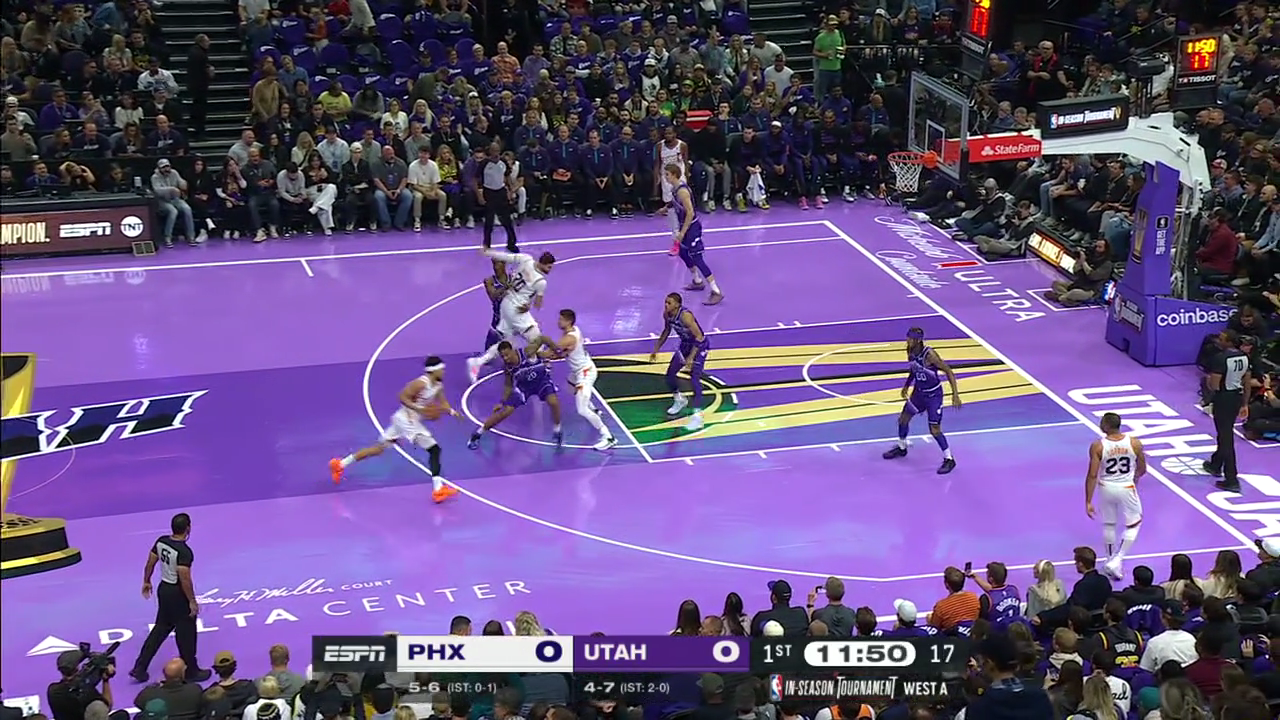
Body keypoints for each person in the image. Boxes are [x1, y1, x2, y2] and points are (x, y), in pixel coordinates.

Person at [329, 356, 458, 504]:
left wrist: (451, 411)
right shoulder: (420, 383)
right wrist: (418, 408)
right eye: (442, 369)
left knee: (378, 449)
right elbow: (402, 396)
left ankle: (340, 464)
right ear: (433, 370)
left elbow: (443, 402)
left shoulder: (438, 385)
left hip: (403, 421)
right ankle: (438, 489)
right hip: (406, 420)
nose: (444, 372)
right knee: (434, 449)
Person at [129, 513, 211, 683]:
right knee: (186, 632)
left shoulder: (161, 541)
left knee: (160, 629)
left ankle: (140, 667)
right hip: (177, 594)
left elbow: (150, 562)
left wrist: (146, 581)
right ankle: (191, 671)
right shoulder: (184, 552)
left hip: (164, 590)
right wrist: (192, 601)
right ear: (188, 528)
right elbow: (185, 579)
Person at [466, 249, 558, 382]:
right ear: (543, 264)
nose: (550, 270)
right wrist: (530, 304)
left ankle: (477, 362)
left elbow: (505, 256)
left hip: (506, 304)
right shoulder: (541, 282)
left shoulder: (526, 258)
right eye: (549, 267)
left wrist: (488, 252)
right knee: (535, 336)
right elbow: (538, 304)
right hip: (516, 309)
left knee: (507, 344)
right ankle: (541, 366)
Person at [881, 327, 961, 474]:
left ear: (918, 340)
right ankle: (902, 447)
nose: (907, 340)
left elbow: (949, 371)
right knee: (903, 419)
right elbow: (914, 369)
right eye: (907, 337)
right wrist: (907, 385)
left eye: (910, 338)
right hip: (918, 393)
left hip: (933, 396)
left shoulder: (930, 355)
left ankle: (949, 459)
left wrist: (955, 394)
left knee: (934, 429)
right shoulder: (910, 351)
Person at [467, 338, 564, 449]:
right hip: (524, 387)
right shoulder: (508, 367)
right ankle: (478, 434)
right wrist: (502, 402)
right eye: (502, 357)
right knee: (505, 411)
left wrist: (556, 349)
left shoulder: (527, 351)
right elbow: (508, 385)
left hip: (541, 381)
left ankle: (557, 430)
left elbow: (542, 338)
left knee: (553, 401)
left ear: (512, 350)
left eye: (507, 355)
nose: (505, 358)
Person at [546, 308, 616, 451]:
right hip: (580, 370)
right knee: (570, 384)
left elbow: (551, 351)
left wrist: (533, 353)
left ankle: (608, 437)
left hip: (585, 373)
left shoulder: (569, 338)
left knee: (582, 409)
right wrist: (555, 355)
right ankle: (594, 409)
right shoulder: (574, 330)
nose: (558, 322)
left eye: (561, 319)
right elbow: (564, 352)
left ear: (569, 321)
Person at [648, 292, 711, 431]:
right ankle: (679, 400)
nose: (666, 305)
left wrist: (691, 358)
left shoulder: (685, 316)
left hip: (699, 346)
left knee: (694, 379)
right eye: (665, 302)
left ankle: (698, 417)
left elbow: (699, 337)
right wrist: (656, 348)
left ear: (677, 304)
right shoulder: (667, 315)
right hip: (685, 345)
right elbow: (666, 331)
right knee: (670, 375)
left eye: (669, 303)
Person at [667, 163, 724, 305]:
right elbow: (675, 204)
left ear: (674, 175)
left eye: (667, 174)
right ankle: (697, 281)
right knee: (683, 253)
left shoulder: (682, 192)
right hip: (684, 226)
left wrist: (682, 232)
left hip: (691, 228)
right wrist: (664, 209)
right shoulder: (674, 189)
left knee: (697, 258)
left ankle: (716, 291)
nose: (665, 177)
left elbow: (690, 212)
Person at [1203, 330, 1251, 493]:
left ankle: (1231, 479)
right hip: (1236, 397)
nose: (1219, 340)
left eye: (1222, 339)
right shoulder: (1244, 357)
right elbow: (1246, 382)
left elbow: (1214, 385)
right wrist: (1245, 403)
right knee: (1225, 432)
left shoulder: (1220, 358)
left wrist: (1209, 394)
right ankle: (1215, 464)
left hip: (1223, 398)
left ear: (1229, 342)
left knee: (1226, 438)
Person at [655, 125, 690, 254]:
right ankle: (676, 242)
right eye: (666, 133)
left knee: (683, 211)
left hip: (679, 180)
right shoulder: (659, 146)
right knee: (672, 215)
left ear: (675, 134)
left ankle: (683, 239)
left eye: (670, 133)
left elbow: (686, 162)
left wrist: (687, 176)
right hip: (666, 180)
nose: (667, 135)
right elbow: (657, 163)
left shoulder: (682, 145)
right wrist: (657, 179)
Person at [479, 141, 518, 252]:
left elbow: (507, 176)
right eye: (493, 151)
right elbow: (476, 179)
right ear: (490, 151)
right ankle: (487, 244)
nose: (496, 153)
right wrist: (479, 194)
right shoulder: (484, 163)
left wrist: (511, 191)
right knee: (489, 220)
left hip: (501, 192)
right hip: (489, 192)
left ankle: (511, 242)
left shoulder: (503, 162)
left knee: (507, 219)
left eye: (497, 151)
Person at [482, 258, 509, 351]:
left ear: (504, 264)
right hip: (498, 320)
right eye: (493, 264)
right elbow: (493, 296)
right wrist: (506, 287)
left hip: (513, 319)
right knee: (488, 351)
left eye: (497, 264)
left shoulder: (513, 278)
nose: (495, 267)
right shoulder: (489, 281)